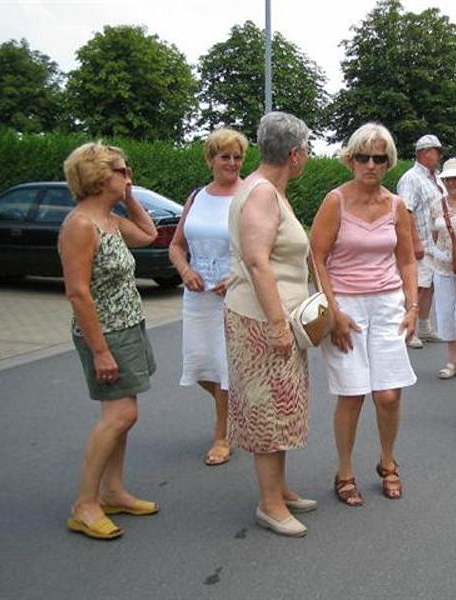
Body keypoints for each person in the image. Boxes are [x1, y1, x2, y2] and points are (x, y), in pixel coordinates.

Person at [311, 123, 417, 506]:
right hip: (346, 306)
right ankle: (344, 471)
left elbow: (406, 260)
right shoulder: (334, 201)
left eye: (378, 158)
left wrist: (413, 306)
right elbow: (317, 258)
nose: (370, 165)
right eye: (362, 157)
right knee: (353, 393)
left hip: (388, 304)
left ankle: (388, 463)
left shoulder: (396, 205)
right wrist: (334, 312)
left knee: (388, 395)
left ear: (388, 162)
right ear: (350, 159)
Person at [59, 142, 159, 540]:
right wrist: (100, 350)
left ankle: (113, 491)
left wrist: (130, 196)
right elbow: (78, 292)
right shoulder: (80, 225)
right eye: (121, 170)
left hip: (128, 326)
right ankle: (84, 505)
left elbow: (150, 235)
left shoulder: (110, 219)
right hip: (105, 333)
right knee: (120, 417)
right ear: (99, 177)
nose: (128, 174)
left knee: (123, 417)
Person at [224, 112, 315, 537]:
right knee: (266, 411)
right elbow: (258, 262)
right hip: (262, 321)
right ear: (294, 155)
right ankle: (269, 504)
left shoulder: (268, 190)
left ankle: (279, 488)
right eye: (308, 151)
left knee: (282, 407)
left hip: (275, 318)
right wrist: (278, 325)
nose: (309, 158)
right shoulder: (261, 193)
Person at [169, 128, 247, 466]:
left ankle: (222, 435)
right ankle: (236, 411)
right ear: (211, 159)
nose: (232, 162)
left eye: (237, 156)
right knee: (201, 367)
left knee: (223, 367)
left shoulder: (250, 195)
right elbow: (176, 246)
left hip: (234, 295)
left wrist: (237, 276)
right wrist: (185, 271)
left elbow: (267, 250)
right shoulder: (196, 196)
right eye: (225, 156)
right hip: (198, 296)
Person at [396, 134, 445, 348]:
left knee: (430, 285)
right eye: (437, 151)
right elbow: (405, 211)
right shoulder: (411, 178)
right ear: (425, 152)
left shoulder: (436, 177)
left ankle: (424, 327)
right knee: (417, 286)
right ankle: (410, 328)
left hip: (436, 245)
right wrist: (414, 242)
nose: (439, 156)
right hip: (421, 242)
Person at [428, 157, 456, 380]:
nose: (453, 183)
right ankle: (452, 360)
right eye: (448, 179)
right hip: (442, 266)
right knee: (445, 313)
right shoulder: (437, 205)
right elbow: (434, 234)